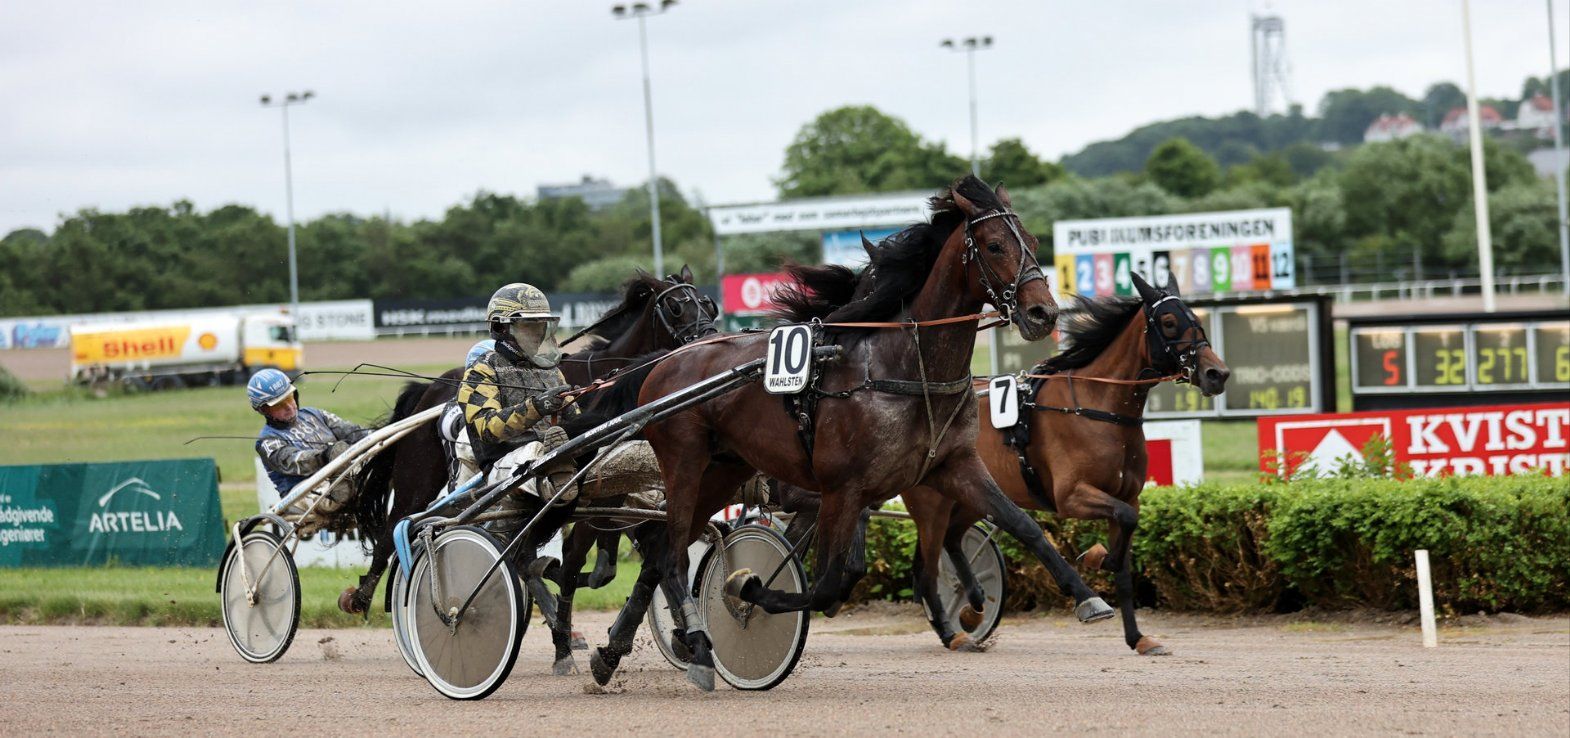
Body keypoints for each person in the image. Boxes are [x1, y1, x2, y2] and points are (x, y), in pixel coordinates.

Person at [457, 283, 578, 535]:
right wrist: (537, 406)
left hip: (553, 458)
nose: (538, 333)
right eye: (530, 325)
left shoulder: (552, 371)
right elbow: (487, 429)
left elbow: (575, 422)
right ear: (502, 328)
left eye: (542, 325)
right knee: (539, 451)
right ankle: (558, 480)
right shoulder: (481, 371)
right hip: (503, 464)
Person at [250, 368, 370, 513]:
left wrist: (378, 435)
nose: (289, 407)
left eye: (289, 398)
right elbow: (296, 461)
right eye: (279, 405)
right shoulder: (267, 441)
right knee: (342, 490)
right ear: (264, 410)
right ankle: (340, 492)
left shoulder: (314, 414)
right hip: (301, 491)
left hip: (341, 475)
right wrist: (326, 456)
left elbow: (352, 432)